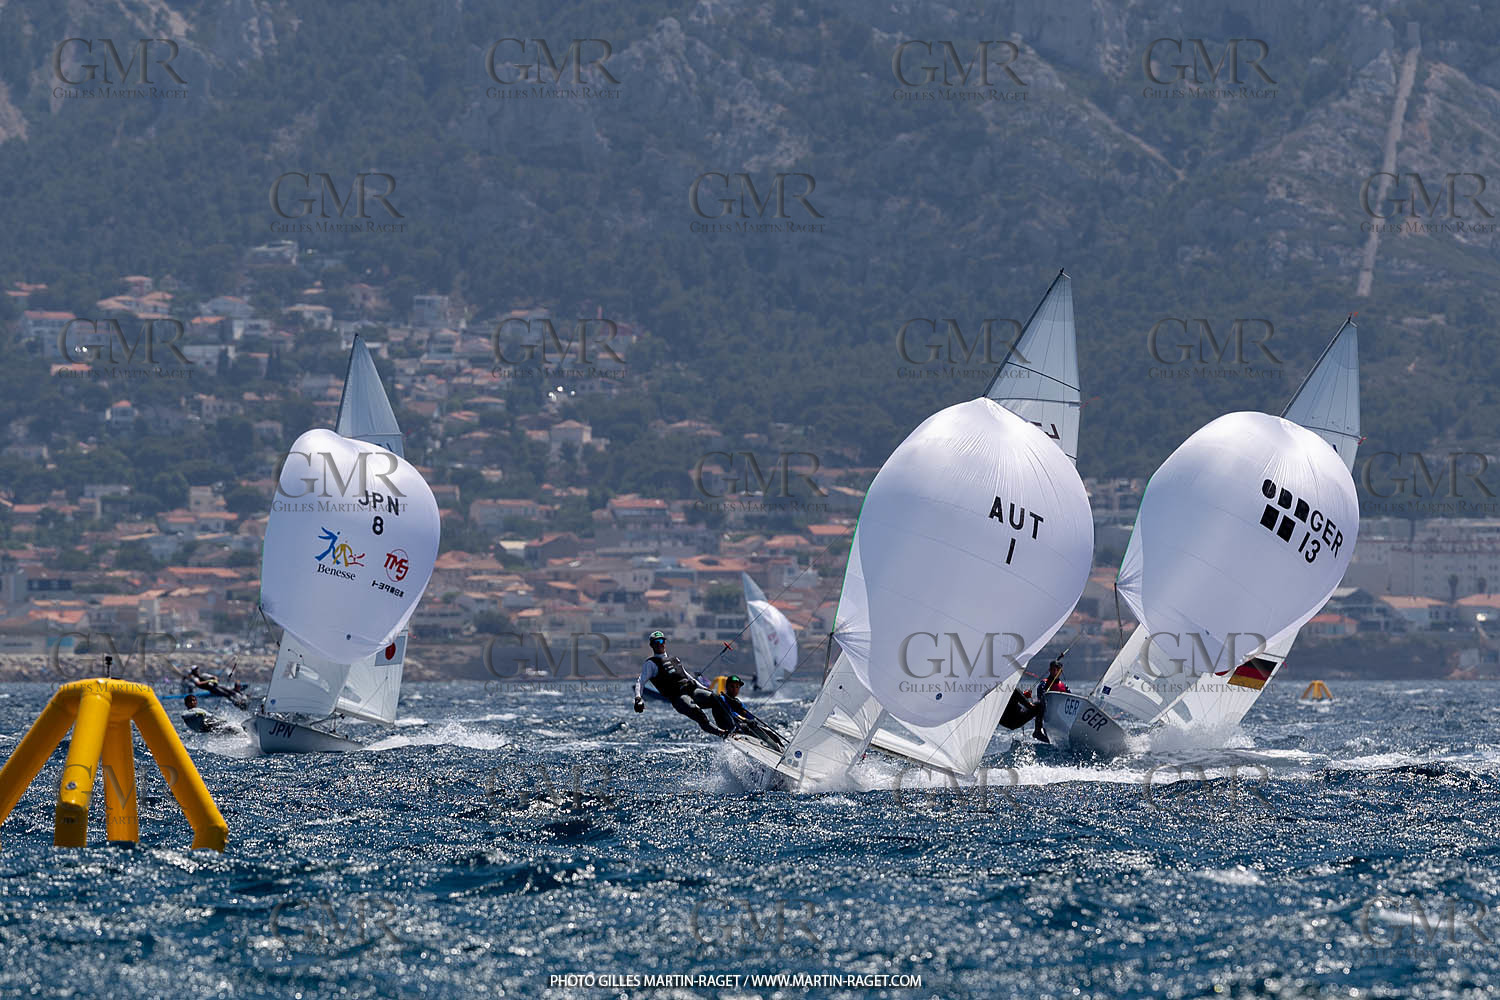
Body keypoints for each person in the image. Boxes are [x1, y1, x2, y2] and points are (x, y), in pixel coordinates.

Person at [633, 632, 734, 738]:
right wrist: (638, 698)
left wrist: (704, 688)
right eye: (656, 642)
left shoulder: (674, 659)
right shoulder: (650, 664)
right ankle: (722, 733)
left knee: (717, 699)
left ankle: (731, 728)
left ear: (665, 643)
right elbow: (641, 681)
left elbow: (687, 676)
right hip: (679, 698)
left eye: (662, 641)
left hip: (692, 691)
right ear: (652, 645)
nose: (659, 644)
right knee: (698, 713)